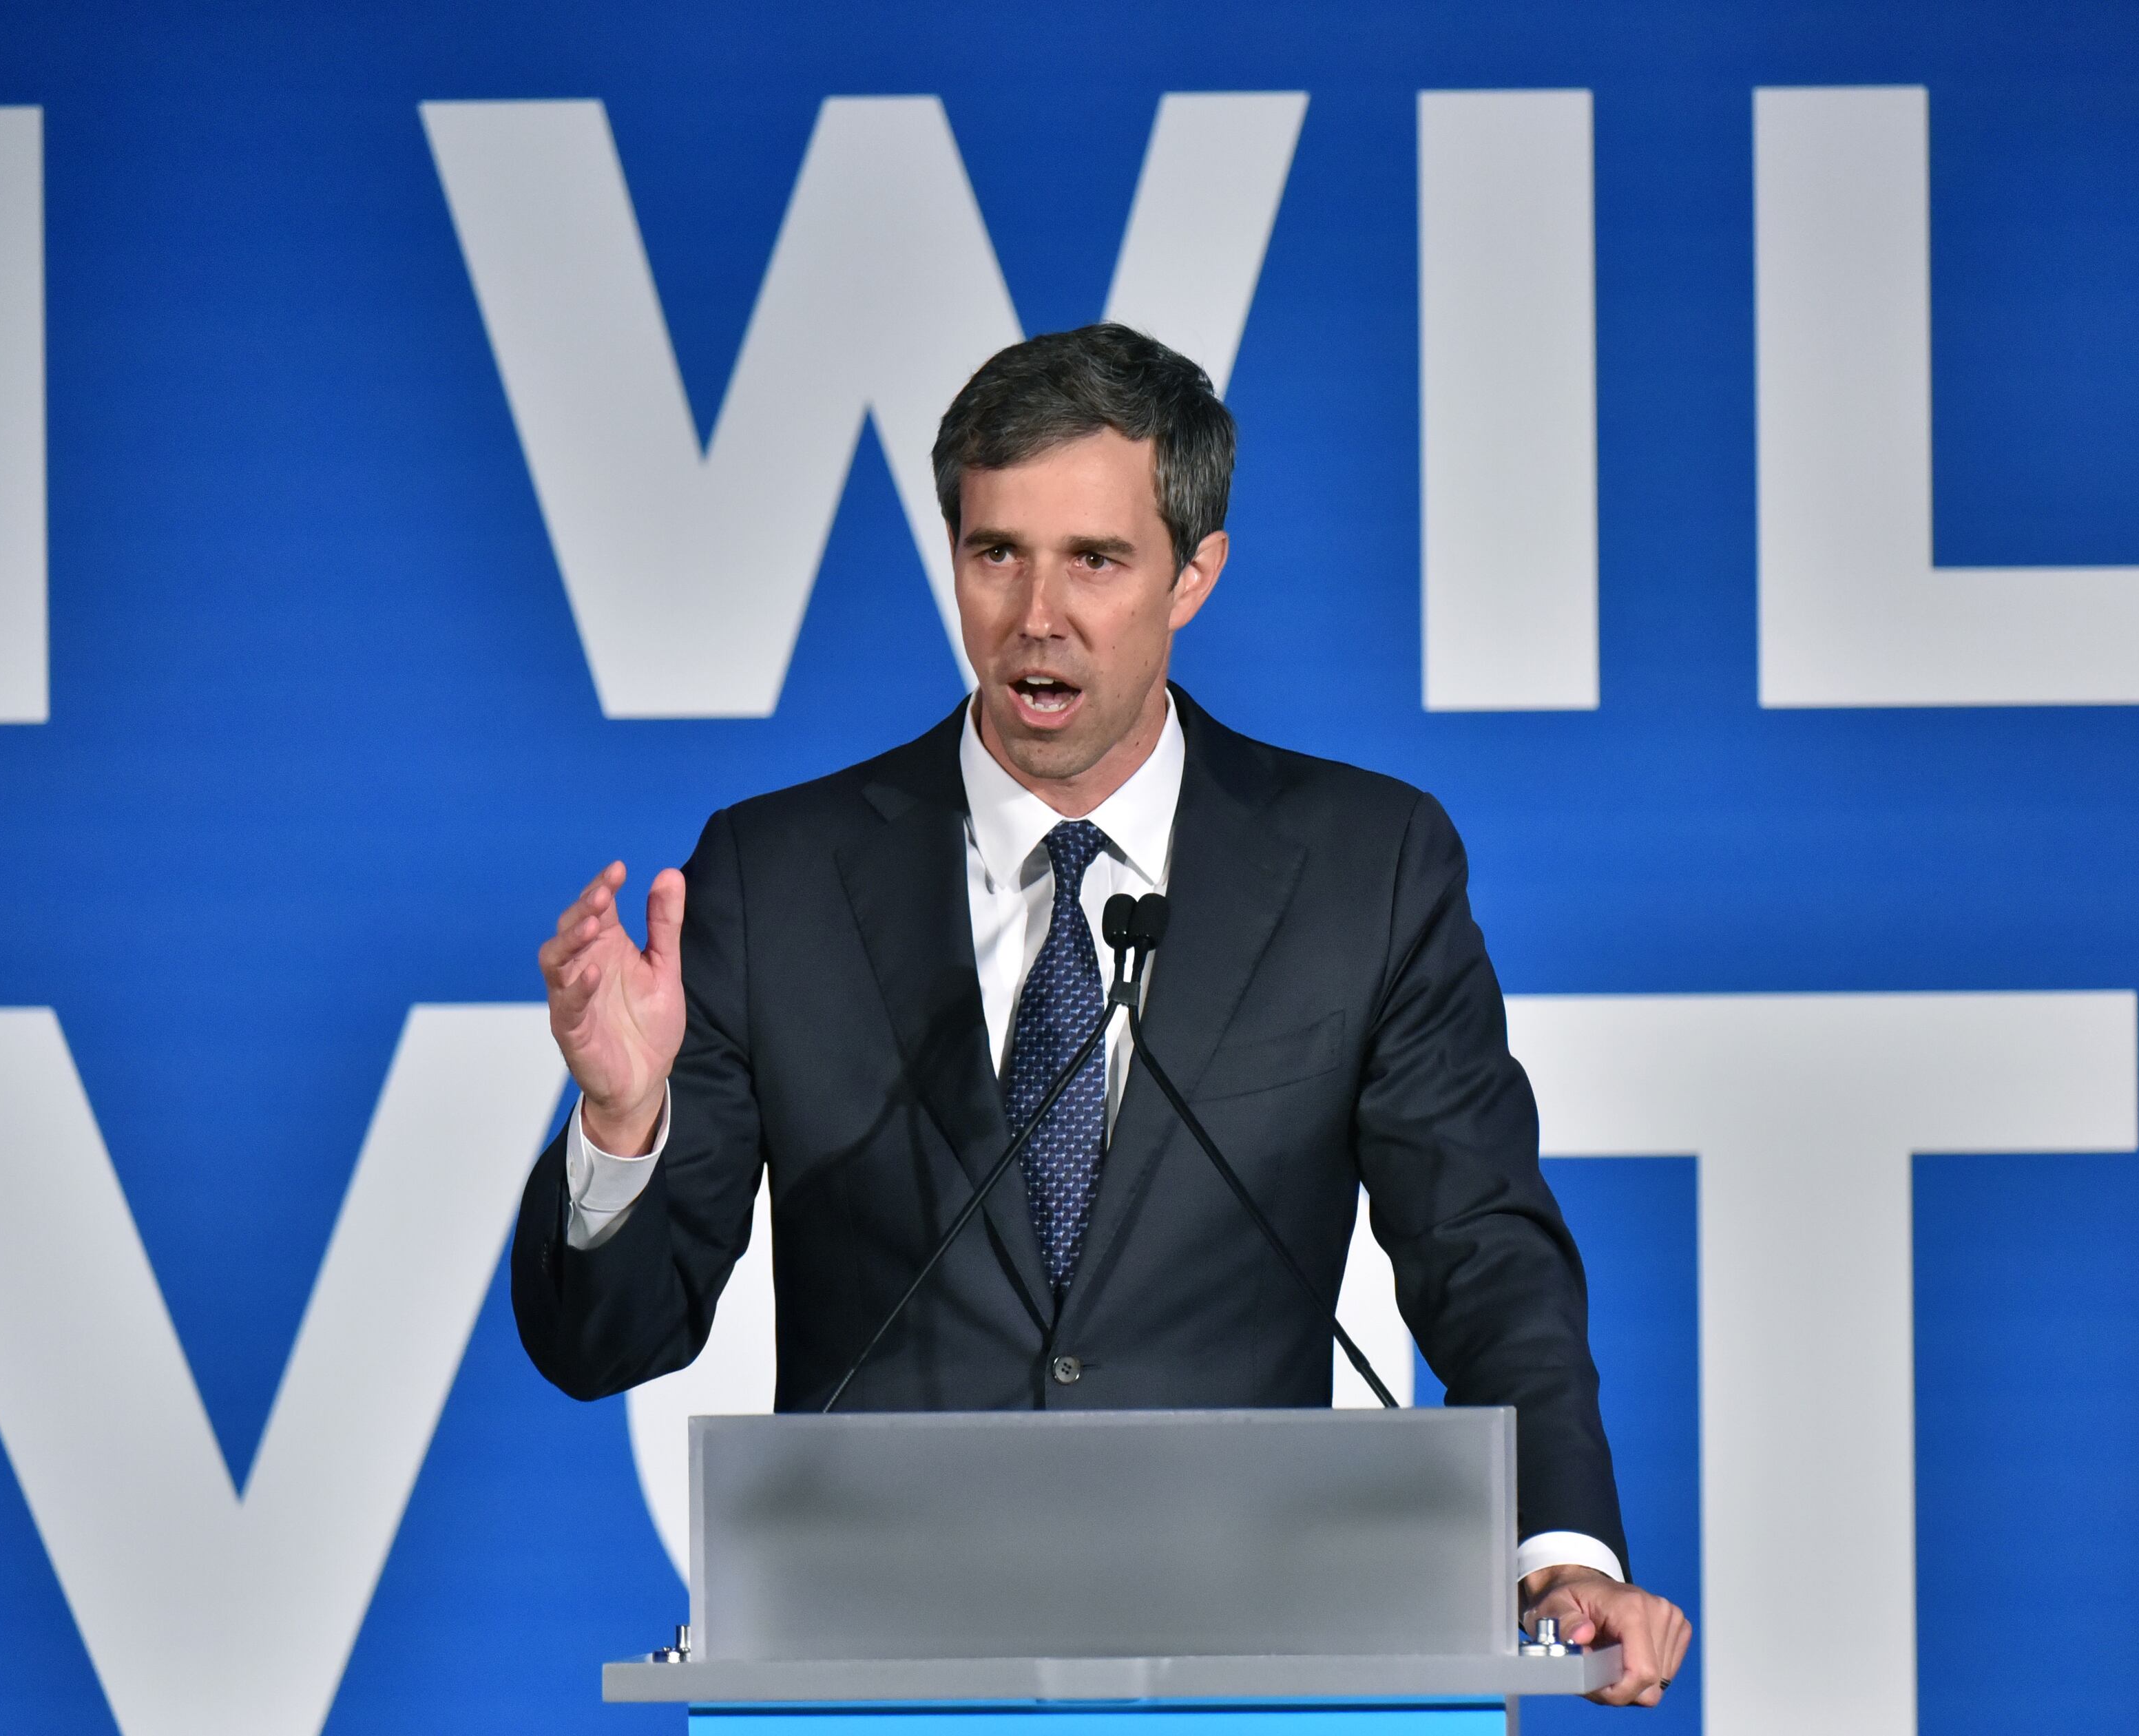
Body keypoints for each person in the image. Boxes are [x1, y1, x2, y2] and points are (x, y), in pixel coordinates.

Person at [519, 324, 1693, 1705]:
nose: (1036, 615)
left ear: (1196, 572)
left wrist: (1557, 1548)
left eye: (1096, 559)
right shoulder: (774, 879)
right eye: (995, 553)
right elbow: (607, 1341)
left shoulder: (1363, 870)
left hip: (1258, 1676)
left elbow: (1481, 1247)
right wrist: (623, 1115)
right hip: (879, 1686)